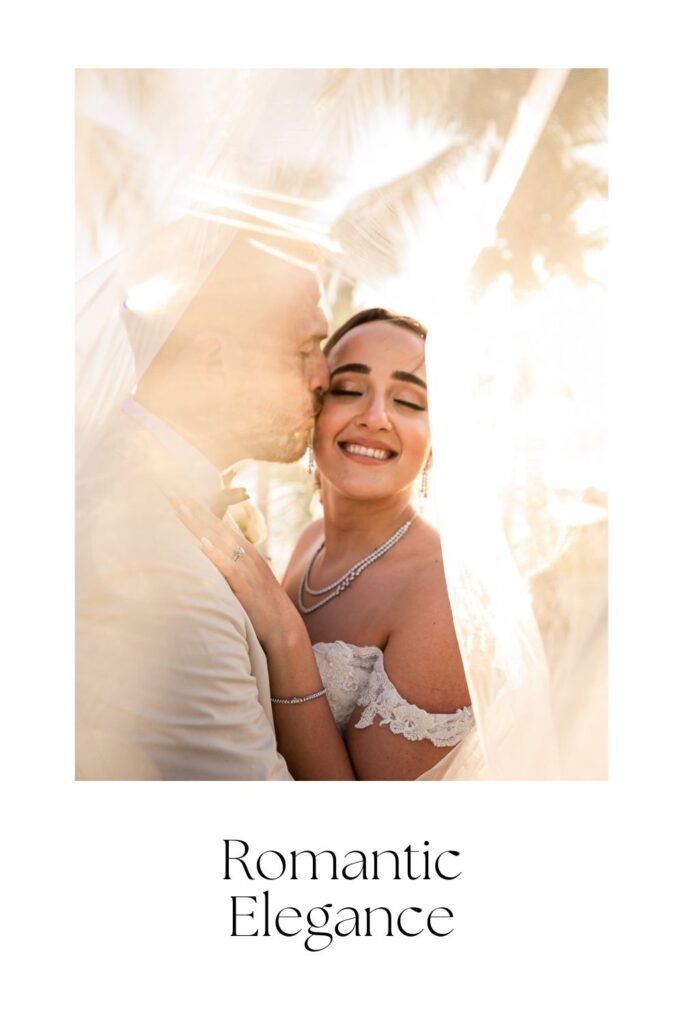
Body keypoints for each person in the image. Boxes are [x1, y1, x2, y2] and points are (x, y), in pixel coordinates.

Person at [174, 309, 474, 780]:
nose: (374, 418)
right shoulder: (312, 542)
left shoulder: (444, 596)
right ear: (313, 407)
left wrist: (284, 630)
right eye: (349, 391)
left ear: (438, 440)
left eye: (409, 402)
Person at [76, 229, 329, 780]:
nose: (325, 379)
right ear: (213, 359)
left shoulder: (134, 478)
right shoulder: (163, 567)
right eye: (306, 350)